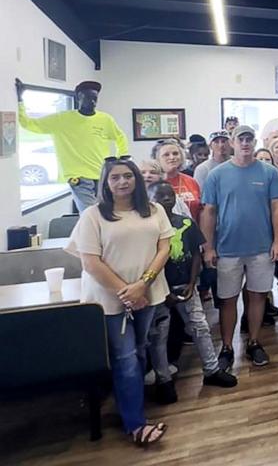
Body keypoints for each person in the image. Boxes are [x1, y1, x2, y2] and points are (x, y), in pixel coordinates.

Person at [65, 157, 172, 446]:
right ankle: (136, 425)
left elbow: (165, 247)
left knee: (138, 352)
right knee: (125, 360)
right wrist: (127, 291)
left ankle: (128, 405)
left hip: (147, 294)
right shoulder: (92, 215)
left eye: (128, 176)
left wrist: (143, 284)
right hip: (110, 301)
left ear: (136, 179)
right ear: (105, 183)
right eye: (115, 178)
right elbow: (91, 262)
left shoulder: (154, 209)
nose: (122, 182)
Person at [201, 125, 278, 368]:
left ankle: (254, 342)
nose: (246, 143)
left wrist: (277, 240)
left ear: (254, 141)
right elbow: (209, 212)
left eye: (249, 139)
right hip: (227, 249)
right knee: (228, 299)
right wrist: (209, 247)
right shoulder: (217, 175)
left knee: (258, 296)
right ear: (232, 143)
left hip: (261, 248)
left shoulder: (268, 172)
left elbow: (276, 208)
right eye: (241, 139)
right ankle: (227, 347)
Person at [146, 182, 237, 397]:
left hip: (187, 286)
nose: (166, 199)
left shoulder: (185, 222)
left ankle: (212, 369)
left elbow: (196, 254)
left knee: (200, 326)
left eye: (170, 195)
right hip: (159, 290)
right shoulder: (148, 230)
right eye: (160, 196)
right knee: (159, 334)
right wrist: (164, 291)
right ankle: (163, 379)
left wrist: (191, 282)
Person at [15, 78, 128, 211]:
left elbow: (120, 137)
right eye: (88, 98)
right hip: (78, 177)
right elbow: (28, 124)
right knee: (90, 214)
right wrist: (20, 101)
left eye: (95, 98)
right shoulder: (61, 119)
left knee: (107, 211)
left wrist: (122, 158)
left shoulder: (105, 119)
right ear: (79, 97)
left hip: (102, 174)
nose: (92, 102)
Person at [154, 138, 202, 222]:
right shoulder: (154, 184)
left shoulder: (191, 181)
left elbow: (200, 211)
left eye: (175, 153)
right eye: (166, 155)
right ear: (158, 159)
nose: (172, 157)